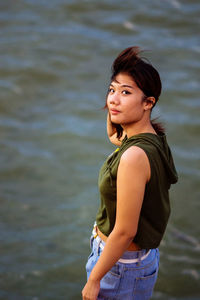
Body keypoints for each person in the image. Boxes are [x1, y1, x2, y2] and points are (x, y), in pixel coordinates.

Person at [82, 46, 178, 300]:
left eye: (126, 92)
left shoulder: (133, 157)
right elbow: (118, 137)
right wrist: (117, 114)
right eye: (111, 90)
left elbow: (125, 231)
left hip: (119, 267)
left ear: (149, 102)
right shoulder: (154, 140)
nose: (113, 99)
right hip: (131, 262)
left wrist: (94, 279)